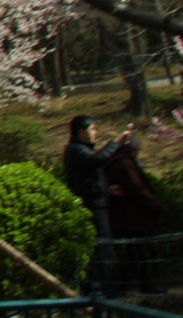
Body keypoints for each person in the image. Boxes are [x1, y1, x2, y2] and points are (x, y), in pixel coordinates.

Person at [63, 115, 134, 291]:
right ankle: (104, 291)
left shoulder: (82, 150)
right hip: (92, 206)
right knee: (103, 250)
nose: (96, 133)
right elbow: (95, 161)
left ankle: (106, 288)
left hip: (99, 203)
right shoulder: (75, 150)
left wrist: (107, 190)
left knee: (105, 248)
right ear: (81, 131)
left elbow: (88, 177)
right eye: (93, 129)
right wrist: (115, 143)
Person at [104, 139, 167, 294]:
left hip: (128, 216)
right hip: (134, 217)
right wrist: (156, 205)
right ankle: (141, 285)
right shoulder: (125, 164)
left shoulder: (117, 163)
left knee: (132, 252)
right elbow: (137, 188)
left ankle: (124, 285)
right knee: (139, 251)